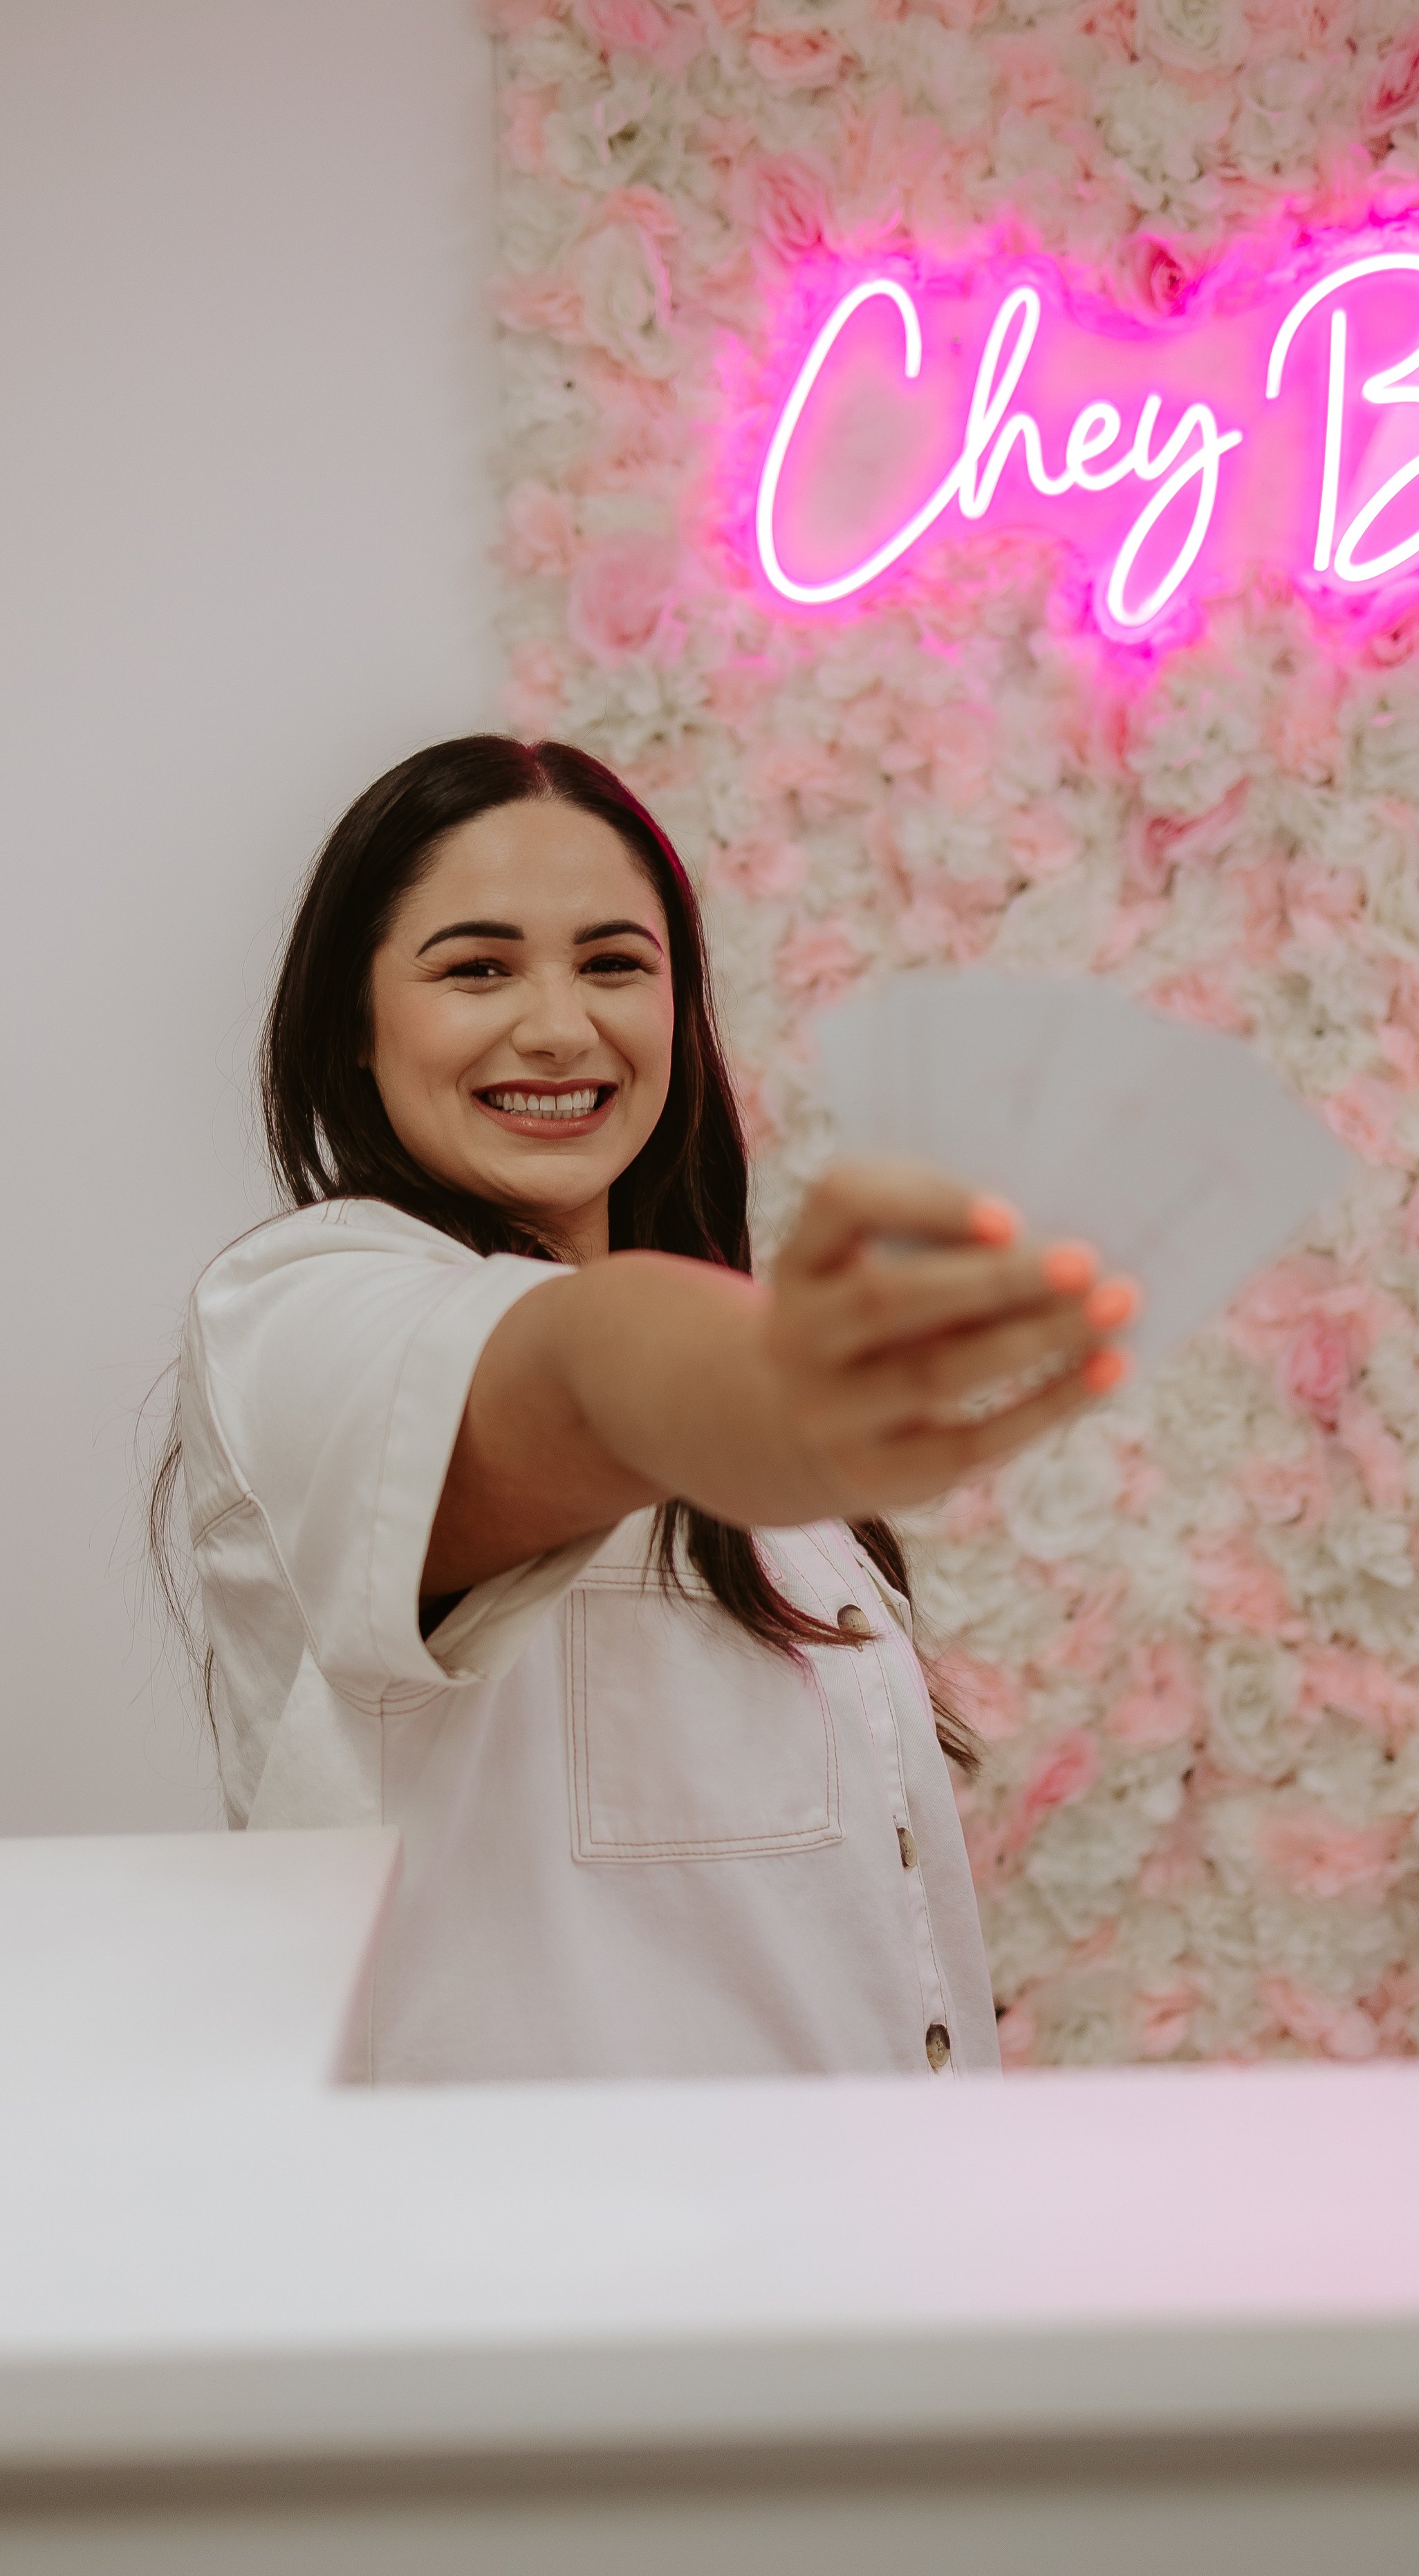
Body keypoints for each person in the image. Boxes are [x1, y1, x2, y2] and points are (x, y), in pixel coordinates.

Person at [160, 736, 1138, 2083]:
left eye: (615, 964)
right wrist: (760, 1383)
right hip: (520, 2220)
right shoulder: (304, 1315)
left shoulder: (776, 1487)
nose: (561, 1027)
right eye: (477, 968)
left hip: (854, 2213)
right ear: (354, 1028)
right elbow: (572, 1369)